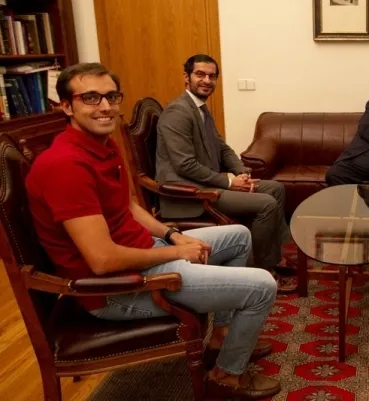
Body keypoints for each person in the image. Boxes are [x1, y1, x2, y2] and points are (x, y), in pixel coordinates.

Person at [25, 63, 281, 400]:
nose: (105, 106)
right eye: (90, 98)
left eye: (111, 96)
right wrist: (177, 252)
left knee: (238, 236)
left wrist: (173, 235)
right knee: (262, 286)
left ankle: (219, 340)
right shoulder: (65, 166)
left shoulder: (103, 144)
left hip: (146, 253)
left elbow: (129, 206)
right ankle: (226, 377)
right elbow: (102, 260)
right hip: (118, 288)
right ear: (67, 106)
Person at [155, 54, 293, 286]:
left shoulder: (201, 108)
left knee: (275, 188)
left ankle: (273, 257)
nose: (207, 80)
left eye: (212, 76)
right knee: (266, 203)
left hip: (206, 183)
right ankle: (260, 270)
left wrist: (241, 172)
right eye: (200, 74)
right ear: (186, 77)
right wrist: (229, 183)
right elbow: (184, 165)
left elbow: (221, 147)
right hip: (188, 193)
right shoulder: (177, 112)